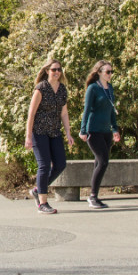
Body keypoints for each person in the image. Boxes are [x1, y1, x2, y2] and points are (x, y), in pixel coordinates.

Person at [25, 60, 75, 214]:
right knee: (44, 165)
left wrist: (68, 133)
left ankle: (37, 190)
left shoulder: (62, 90)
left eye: (59, 69)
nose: (57, 72)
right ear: (47, 71)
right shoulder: (41, 88)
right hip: (39, 132)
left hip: (54, 132)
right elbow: (31, 113)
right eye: (54, 69)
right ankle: (43, 203)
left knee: (60, 164)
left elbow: (64, 113)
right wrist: (28, 136)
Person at [79, 60, 121, 210]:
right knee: (103, 161)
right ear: (99, 73)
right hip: (94, 130)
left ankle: (95, 196)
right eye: (107, 72)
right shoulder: (93, 88)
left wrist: (115, 129)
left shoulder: (109, 88)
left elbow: (111, 110)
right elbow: (87, 110)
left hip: (106, 131)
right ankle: (92, 196)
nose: (110, 74)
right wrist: (83, 130)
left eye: (111, 72)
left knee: (99, 162)